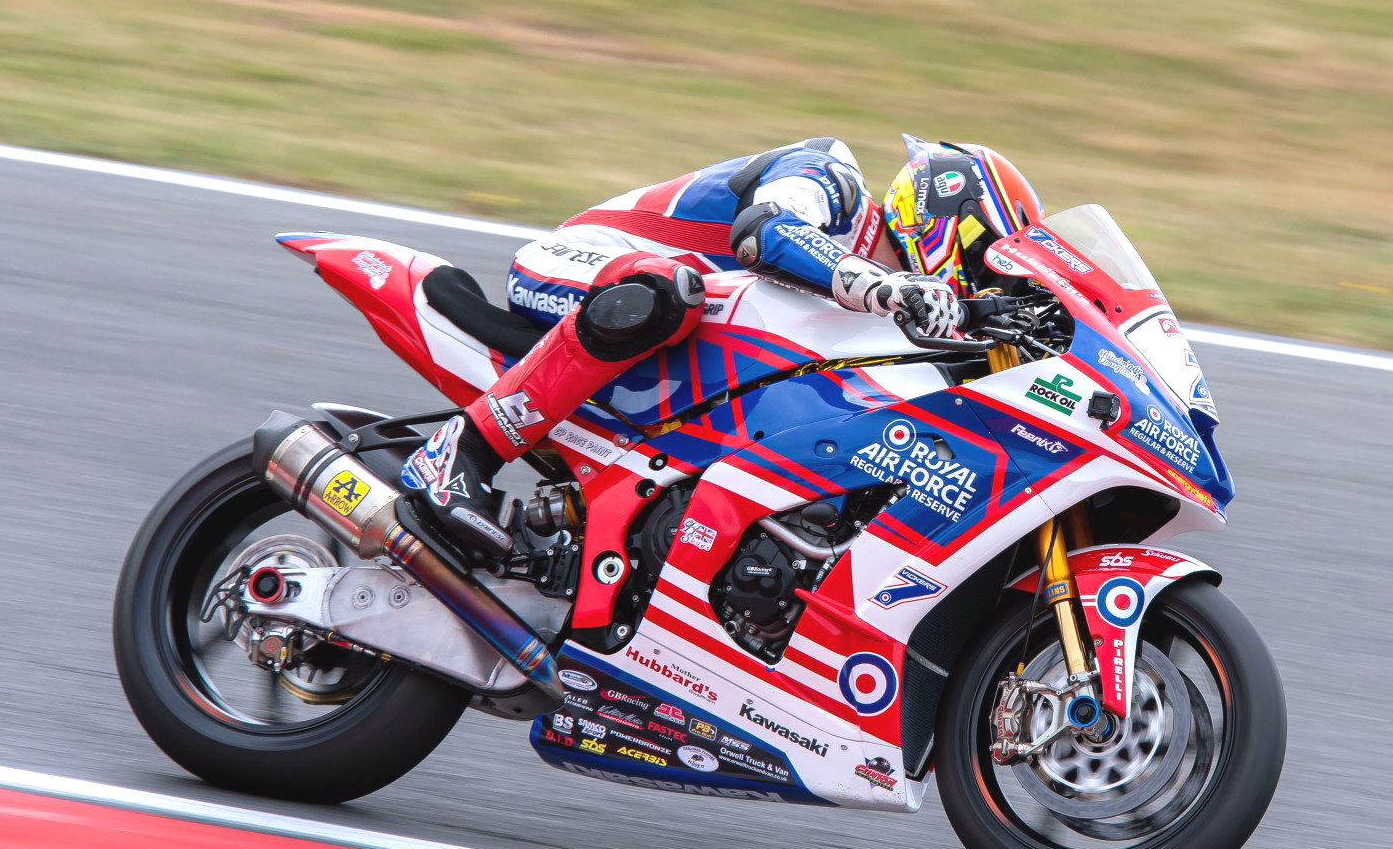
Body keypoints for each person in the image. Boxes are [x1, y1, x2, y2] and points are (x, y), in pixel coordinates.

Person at [399, 134, 1045, 564]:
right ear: (949, 220)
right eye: (988, 268)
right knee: (669, 292)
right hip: (581, 271)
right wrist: (887, 288)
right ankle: (461, 451)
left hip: (669, 348)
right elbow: (764, 232)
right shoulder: (833, 178)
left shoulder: (877, 328)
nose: (983, 291)